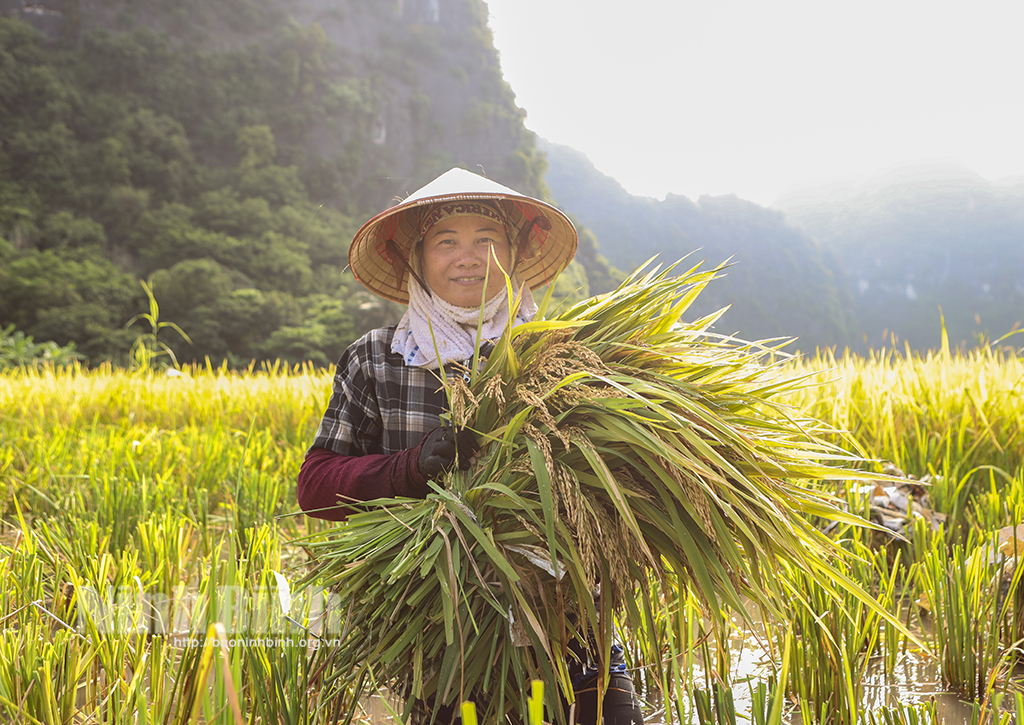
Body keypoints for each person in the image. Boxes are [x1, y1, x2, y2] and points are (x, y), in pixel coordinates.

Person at [297, 167, 645, 725]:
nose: (468, 257)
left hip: (570, 620)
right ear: (416, 258)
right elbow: (316, 487)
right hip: (442, 629)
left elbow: (625, 484)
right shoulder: (377, 359)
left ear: (514, 253)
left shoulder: (561, 354)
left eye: (487, 240)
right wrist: (406, 469)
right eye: (447, 242)